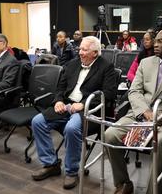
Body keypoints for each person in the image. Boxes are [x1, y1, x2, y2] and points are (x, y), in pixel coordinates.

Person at [105, 29, 162, 194]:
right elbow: (134, 91)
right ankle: (123, 183)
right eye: (156, 40)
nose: (155, 44)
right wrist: (144, 111)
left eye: (161, 41)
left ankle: (153, 191)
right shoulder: (146, 63)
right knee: (110, 134)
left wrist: (161, 116)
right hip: (139, 114)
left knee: (160, 142)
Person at [30, 36, 116, 190]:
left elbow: (108, 94)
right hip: (66, 105)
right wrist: (58, 101)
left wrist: (82, 105)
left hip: (89, 109)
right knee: (37, 121)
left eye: (84, 50)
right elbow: (60, 88)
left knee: (71, 128)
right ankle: (51, 164)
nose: (80, 52)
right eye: (80, 48)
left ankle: (71, 171)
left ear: (95, 53)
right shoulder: (72, 64)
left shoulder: (106, 67)